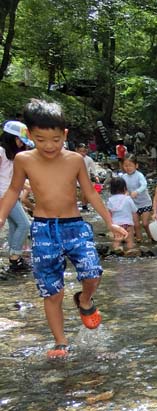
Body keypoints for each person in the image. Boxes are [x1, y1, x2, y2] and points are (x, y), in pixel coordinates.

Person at [0, 99, 127, 359]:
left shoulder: (75, 161)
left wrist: (109, 221)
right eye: (41, 139)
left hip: (75, 226)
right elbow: (13, 190)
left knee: (92, 273)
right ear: (29, 135)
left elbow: (90, 192)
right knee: (52, 290)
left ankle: (84, 300)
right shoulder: (24, 159)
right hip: (44, 228)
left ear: (64, 135)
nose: (49, 146)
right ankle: (60, 342)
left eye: (55, 140)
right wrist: (1, 218)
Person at [0, 121, 34, 272]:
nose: (21, 144)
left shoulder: (14, 156)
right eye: (19, 140)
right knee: (24, 224)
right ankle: (15, 257)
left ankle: (14, 258)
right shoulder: (1, 152)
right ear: (10, 137)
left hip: (12, 194)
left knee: (15, 225)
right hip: (3, 195)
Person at [120, 154, 154, 242]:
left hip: (145, 203)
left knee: (145, 224)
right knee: (136, 225)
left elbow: (144, 185)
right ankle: (140, 241)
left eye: (130, 165)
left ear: (136, 165)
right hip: (133, 204)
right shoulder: (124, 177)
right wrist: (125, 194)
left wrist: (137, 191)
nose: (128, 168)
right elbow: (123, 189)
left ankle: (152, 238)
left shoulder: (139, 175)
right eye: (125, 165)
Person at [106, 176, 137, 253]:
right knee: (129, 241)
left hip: (117, 226)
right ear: (124, 188)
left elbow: (109, 214)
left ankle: (117, 252)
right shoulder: (128, 199)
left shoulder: (110, 200)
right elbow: (134, 210)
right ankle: (130, 252)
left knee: (117, 241)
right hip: (128, 224)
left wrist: (110, 226)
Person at [76, 144, 100, 212]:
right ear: (76, 150)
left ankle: (84, 206)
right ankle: (81, 206)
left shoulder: (88, 159)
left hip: (85, 178)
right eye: (80, 151)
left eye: (84, 151)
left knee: (85, 193)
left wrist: (96, 177)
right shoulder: (73, 158)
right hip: (75, 178)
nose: (82, 153)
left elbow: (93, 169)